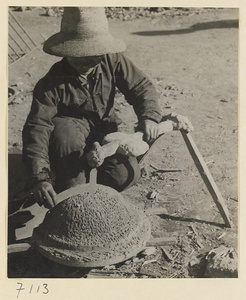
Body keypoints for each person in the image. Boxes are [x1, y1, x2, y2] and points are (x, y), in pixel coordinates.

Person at [22, 7, 193, 208]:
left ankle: (92, 172)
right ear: (67, 50)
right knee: (70, 175)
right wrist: (40, 177)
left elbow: (140, 87)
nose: (87, 62)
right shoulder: (51, 82)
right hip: (67, 141)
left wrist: (150, 117)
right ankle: (71, 184)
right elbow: (37, 127)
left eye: (94, 54)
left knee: (123, 177)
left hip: (103, 132)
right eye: (79, 55)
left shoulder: (113, 61)